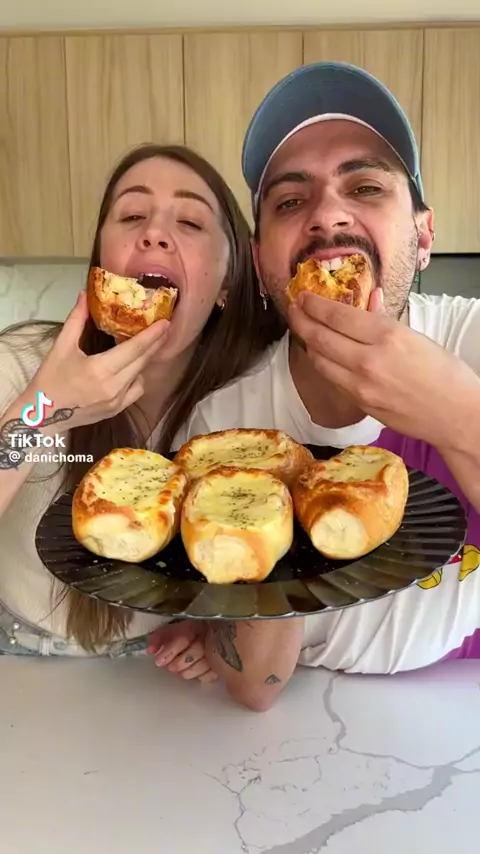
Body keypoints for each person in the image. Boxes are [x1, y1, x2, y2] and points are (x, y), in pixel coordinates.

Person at [149, 63, 480, 711]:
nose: (328, 215)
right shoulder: (224, 427)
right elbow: (255, 687)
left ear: (423, 235)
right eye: (290, 202)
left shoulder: (471, 340)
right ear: (260, 259)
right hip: (309, 722)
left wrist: (459, 415)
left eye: (365, 187)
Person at [0, 142, 284, 665]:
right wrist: (46, 408)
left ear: (227, 279)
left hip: (155, 671)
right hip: (17, 656)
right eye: (132, 215)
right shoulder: (20, 362)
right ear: (101, 263)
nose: (153, 232)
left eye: (190, 222)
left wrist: (210, 624)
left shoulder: (246, 411)